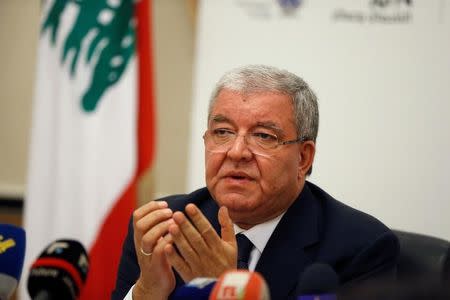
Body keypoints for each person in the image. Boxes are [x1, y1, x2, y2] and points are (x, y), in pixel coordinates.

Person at [111, 65, 399, 300]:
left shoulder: (361, 248)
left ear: (303, 157)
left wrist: (224, 289)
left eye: (263, 136)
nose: (236, 152)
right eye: (222, 132)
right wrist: (147, 292)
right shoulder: (165, 227)